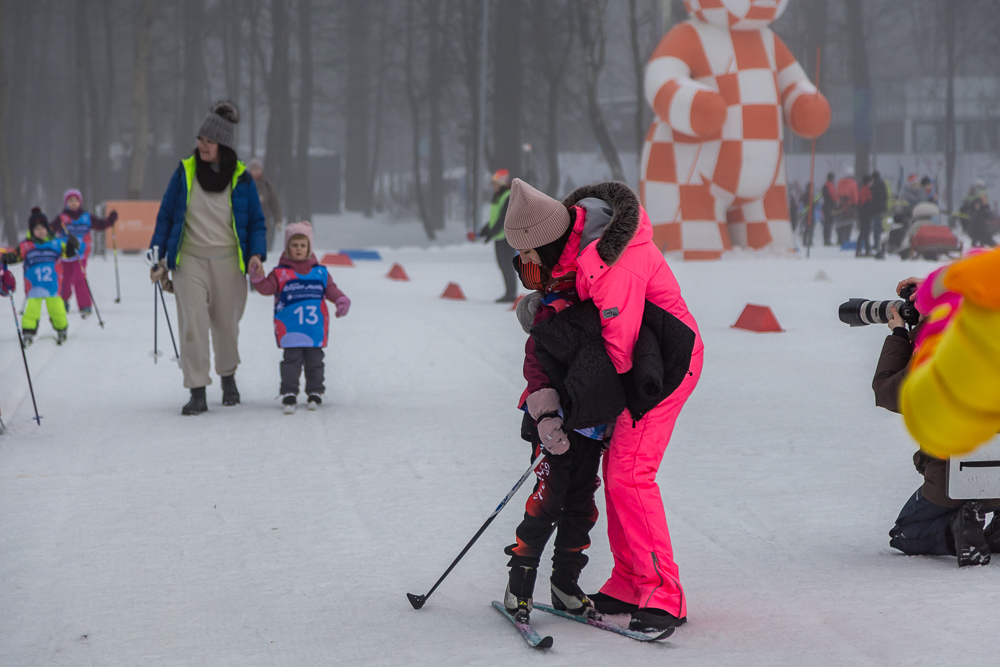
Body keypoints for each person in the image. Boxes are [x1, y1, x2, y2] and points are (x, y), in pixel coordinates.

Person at [503, 178, 703, 634]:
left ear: (548, 244)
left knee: (631, 475)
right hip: (631, 367)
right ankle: (631, 582)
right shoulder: (581, 248)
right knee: (616, 476)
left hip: (662, 366)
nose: (530, 271)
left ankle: (661, 593)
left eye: (532, 261)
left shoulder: (613, 262)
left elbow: (619, 351)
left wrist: (573, 408)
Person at [501, 254, 610, 622]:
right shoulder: (552, 310)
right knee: (548, 500)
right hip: (553, 426)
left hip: (589, 425)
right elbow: (536, 366)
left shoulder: (603, 308)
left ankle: (566, 582)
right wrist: (547, 414)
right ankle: (520, 581)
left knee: (581, 504)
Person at [149, 101, 267, 415]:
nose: (202, 145)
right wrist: (157, 255)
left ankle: (228, 377)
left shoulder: (241, 178)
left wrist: (256, 254)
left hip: (229, 261)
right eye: (201, 139)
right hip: (190, 259)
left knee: (226, 325)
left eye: (209, 141)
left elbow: (256, 221)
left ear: (223, 145)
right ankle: (197, 390)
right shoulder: (185, 171)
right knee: (193, 324)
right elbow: (166, 215)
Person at [879, 272, 1000, 565]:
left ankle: (957, 529)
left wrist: (899, 335)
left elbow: (886, 391)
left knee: (907, 533)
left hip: (953, 480)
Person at [249, 221, 351, 414]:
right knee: (291, 360)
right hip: (290, 328)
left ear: (309, 248)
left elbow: (331, 289)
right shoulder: (280, 273)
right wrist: (258, 279)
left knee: (315, 360)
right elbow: (267, 288)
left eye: (303, 245)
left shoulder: (320, 272)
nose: (298, 249)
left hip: (314, 329)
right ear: (287, 248)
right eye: (294, 245)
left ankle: (315, 391)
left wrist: (341, 300)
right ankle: (289, 392)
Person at [0, 208, 78, 347]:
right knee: (31, 311)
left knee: (57, 309)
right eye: (36, 229)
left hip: (52, 286)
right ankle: (29, 332)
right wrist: (7, 258)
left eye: (43, 228)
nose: (40, 231)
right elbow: (15, 256)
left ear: (48, 229)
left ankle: (61, 329)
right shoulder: (26, 246)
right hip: (33, 287)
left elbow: (69, 254)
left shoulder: (56, 243)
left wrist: (72, 245)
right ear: (31, 231)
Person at [50, 189, 117, 318]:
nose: (73, 203)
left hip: (81, 254)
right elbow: (50, 229)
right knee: (64, 279)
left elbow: (100, 225)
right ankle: (63, 302)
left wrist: (111, 220)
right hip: (65, 254)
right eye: (70, 201)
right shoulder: (62, 217)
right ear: (66, 203)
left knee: (79, 278)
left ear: (80, 202)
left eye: (76, 200)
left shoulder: (87, 217)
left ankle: (85, 305)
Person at [478, 169, 518, 303]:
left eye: (495, 183)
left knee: (506, 264)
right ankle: (509, 292)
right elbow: (494, 219)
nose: (493, 186)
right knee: (503, 264)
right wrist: (485, 230)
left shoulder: (507, 196)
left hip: (506, 237)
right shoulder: (498, 197)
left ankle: (511, 294)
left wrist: (490, 232)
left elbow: (503, 219)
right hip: (499, 236)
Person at [247, 158, 283, 253]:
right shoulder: (243, 185)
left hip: (264, 222)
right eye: (253, 169)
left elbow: (274, 203)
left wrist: (278, 219)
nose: (256, 172)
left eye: (257, 169)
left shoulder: (267, 186)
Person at [835, 167, 859, 246]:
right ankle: (846, 240)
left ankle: (840, 239)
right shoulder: (853, 183)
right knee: (848, 225)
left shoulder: (840, 182)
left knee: (841, 224)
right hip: (850, 207)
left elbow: (837, 195)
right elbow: (855, 197)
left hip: (841, 207)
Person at [870, 170, 889, 252]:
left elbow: (873, 197)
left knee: (876, 227)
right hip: (882, 209)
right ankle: (883, 243)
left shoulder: (874, 184)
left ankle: (876, 244)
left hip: (875, 209)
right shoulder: (883, 183)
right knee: (881, 226)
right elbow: (885, 196)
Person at [856, 175, 874, 257]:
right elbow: (864, 203)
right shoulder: (865, 190)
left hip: (865, 214)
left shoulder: (866, 189)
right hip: (865, 215)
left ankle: (867, 249)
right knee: (864, 232)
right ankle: (859, 250)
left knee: (866, 233)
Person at [821, 172, 837, 246]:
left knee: (828, 224)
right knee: (828, 224)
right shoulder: (829, 186)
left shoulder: (826, 186)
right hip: (830, 207)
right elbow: (831, 197)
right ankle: (827, 240)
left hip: (827, 207)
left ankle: (827, 239)